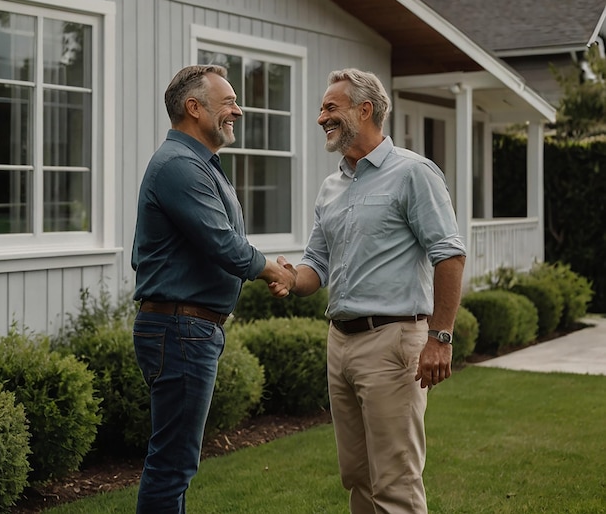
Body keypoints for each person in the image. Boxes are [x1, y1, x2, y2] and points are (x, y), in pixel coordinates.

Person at [280, 69, 466, 514]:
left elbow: (450, 255)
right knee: (358, 478)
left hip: (392, 343)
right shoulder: (331, 187)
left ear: (365, 110)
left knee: (395, 484)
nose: (321, 116)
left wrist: (440, 337)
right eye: (322, 108)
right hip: (340, 343)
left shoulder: (412, 173)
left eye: (331, 107)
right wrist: (287, 277)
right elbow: (316, 266)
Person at [131, 64, 295, 514]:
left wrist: (260, 268)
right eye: (228, 103)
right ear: (193, 108)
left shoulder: (194, 163)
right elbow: (224, 244)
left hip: (185, 329)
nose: (237, 111)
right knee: (173, 466)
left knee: (176, 463)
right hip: (180, 330)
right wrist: (274, 272)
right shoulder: (181, 165)